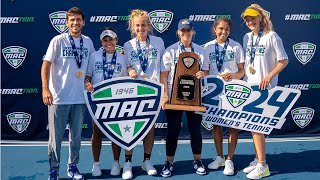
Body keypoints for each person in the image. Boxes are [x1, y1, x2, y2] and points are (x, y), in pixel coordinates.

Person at [41, 7, 95, 180]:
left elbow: (90, 67)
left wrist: (87, 80)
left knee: (76, 138)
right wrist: (45, 88)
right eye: (72, 20)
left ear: (83, 22)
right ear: (67, 23)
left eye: (78, 19)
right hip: (59, 97)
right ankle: (54, 170)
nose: (75, 23)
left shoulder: (88, 42)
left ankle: (73, 167)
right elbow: (46, 65)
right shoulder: (58, 40)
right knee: (55, 139)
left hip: (79, 98)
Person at [241, 4, 289, 179]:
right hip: (250, 86)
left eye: (253, 18)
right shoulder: (247, 38)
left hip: (265, 88)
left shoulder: (271, 36)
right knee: (252, 126)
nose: (250, 22)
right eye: (247, 19)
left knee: (257, 127)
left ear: (261, 18)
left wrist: (268, 76)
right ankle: (257, 159)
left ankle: (263, 165)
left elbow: (283, 61)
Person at [160, 18, 209, 177]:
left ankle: (197, 160)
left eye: (188, 30)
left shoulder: (201, 51)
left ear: (193, 32)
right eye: (183, 31)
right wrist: (165, 95)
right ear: (178, 33)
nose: (186, 33)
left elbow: (207, 71)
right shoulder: (170, 50)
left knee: (195, 130)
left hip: (194, 97)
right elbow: (164, 75)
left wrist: (203, 74)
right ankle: (168, 162)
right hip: (174, 98)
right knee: (173, 130)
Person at [122, 9, 165, 179]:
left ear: (149, 26)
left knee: (149, 128)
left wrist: (163, 92)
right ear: (133, 28)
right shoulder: (127, 45)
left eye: (144, 25)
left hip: (153, 91)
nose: (141, 28)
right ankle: (128, 162)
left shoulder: (158, 42)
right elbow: (124, 66)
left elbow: (163, 68)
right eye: (138, 26)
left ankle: (147, 160)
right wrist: (131, 69)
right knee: (131, 128)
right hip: (133, 92)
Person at [84, 27, 128, 177]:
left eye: (111, 39)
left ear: (117, 40)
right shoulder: (94, 56)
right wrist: (87, 82)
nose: (108, 42)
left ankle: (116, 162)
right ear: (101, 42)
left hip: (116, 100)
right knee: (97, 131)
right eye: (105, 40)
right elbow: (87, 75)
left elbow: (126, 80)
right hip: (98, 99)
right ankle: (96, 164)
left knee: (116, 132)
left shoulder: (122, 58)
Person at [203, 17, 245, 176]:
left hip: (233, 91)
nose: (223, 32)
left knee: (233, 126)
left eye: (226, 29)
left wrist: (234, 76)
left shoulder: (236, 46)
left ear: (230, 31)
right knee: (216, 125)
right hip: (215, 92)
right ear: (215, 29)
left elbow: (242, 71)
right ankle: (220, 157)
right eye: (220, 28)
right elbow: (206, 72)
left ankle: (229, 159)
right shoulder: (207, 47)